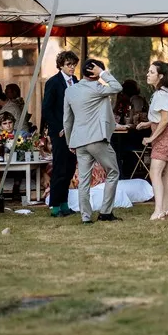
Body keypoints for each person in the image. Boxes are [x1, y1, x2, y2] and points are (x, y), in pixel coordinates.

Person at [64, 58, 123, 224]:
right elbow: (118, 87)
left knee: (83, 180)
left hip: (78, 141)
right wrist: (103, 74)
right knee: (113, 172)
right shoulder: (98, 87)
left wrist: (70, 142)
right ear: (95, 72)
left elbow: (67, 120)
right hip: (97, 139)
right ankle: (105, 213)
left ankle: (86, 217)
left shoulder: (70, 91)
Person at [138, 61, 168, 220]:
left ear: (160, 76)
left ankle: (158, 211)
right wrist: (149, 123)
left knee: (155, 172)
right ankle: (165, 208)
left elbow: (164, 120)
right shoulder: (165, 92)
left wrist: (151, 138)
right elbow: (163, 118)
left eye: (151, 72)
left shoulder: (162, 94)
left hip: (165, 136)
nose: (148, 75)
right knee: (165, 173)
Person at [42, 50, 79, 218]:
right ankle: (55, 205)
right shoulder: (53, 82)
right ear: (61, 65)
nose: (72, 68)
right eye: (68, 65)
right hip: (60, 133)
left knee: (70, 167)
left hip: (75, 131)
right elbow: (47, 109)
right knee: (59, 168)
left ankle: (64, 204)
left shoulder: (76, 81)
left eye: (73, 65)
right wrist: (58, 129)